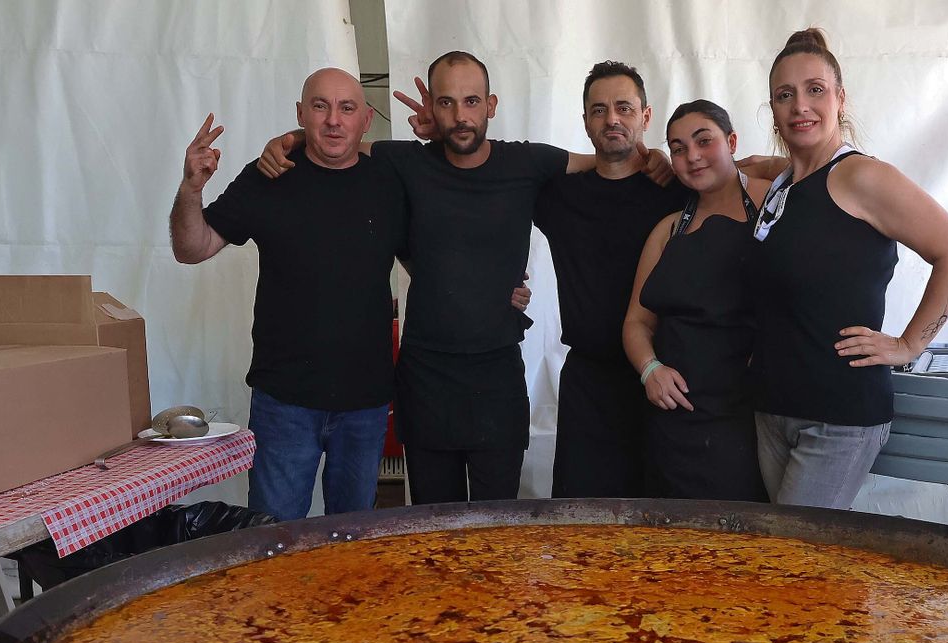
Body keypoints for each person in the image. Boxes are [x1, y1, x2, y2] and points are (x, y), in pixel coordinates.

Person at [259, 53, 669, 505]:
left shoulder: (526, 163)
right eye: (447, 103)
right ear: (432, 109)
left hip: (497, 378)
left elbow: (598, 160)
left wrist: (657, 157)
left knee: (497, 530)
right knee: (433, 531)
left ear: (491, 105)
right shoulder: (407, 162)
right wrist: (294, 137)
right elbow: (341, 146)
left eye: (471, 101)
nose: (460, 115)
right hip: (426, 375)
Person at [750, 28, 948, 509]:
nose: (800, 106)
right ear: (771, 108)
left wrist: (908, 344)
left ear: (840, 98)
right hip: (771, 410)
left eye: (815, 90)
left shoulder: (861, 176)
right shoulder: (783, 182)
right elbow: (731, 166)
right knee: (784, 568)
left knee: (797, 569)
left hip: (837, 417)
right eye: (784, 95)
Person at [169, 68, 406, 522]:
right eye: (320, 106)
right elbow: (192, 248)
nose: (334, 120)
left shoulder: (390, 182)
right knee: (274, 540)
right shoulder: (268, 177)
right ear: (301, 113)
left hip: (366, 402)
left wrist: (503, 289)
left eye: (347, 108)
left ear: (366, 120)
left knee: (353, 545)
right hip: (285, 403)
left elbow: (430, 260)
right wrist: (192, 188)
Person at [535, 62, 688, 499]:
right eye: (599, 110)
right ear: (585, 122)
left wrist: (660, 158)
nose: (612, 119)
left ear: (645, 116)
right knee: (582, 529)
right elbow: (492, 176)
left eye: (624, 108)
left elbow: (749, 179)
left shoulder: (677, 190)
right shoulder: (560, 195)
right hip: (589, 383)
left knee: (658, 527)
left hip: (662, 376)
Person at [622, 101, 769, 501]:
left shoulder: (776, 205)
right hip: (673, 419)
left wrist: (764, 164)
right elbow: (637, 323)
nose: (692, 156)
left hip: (748, 417)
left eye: (704, 141)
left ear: (732, 141)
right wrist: (649, 369)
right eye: (679, 148)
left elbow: (818, 167)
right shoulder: (668, 229)